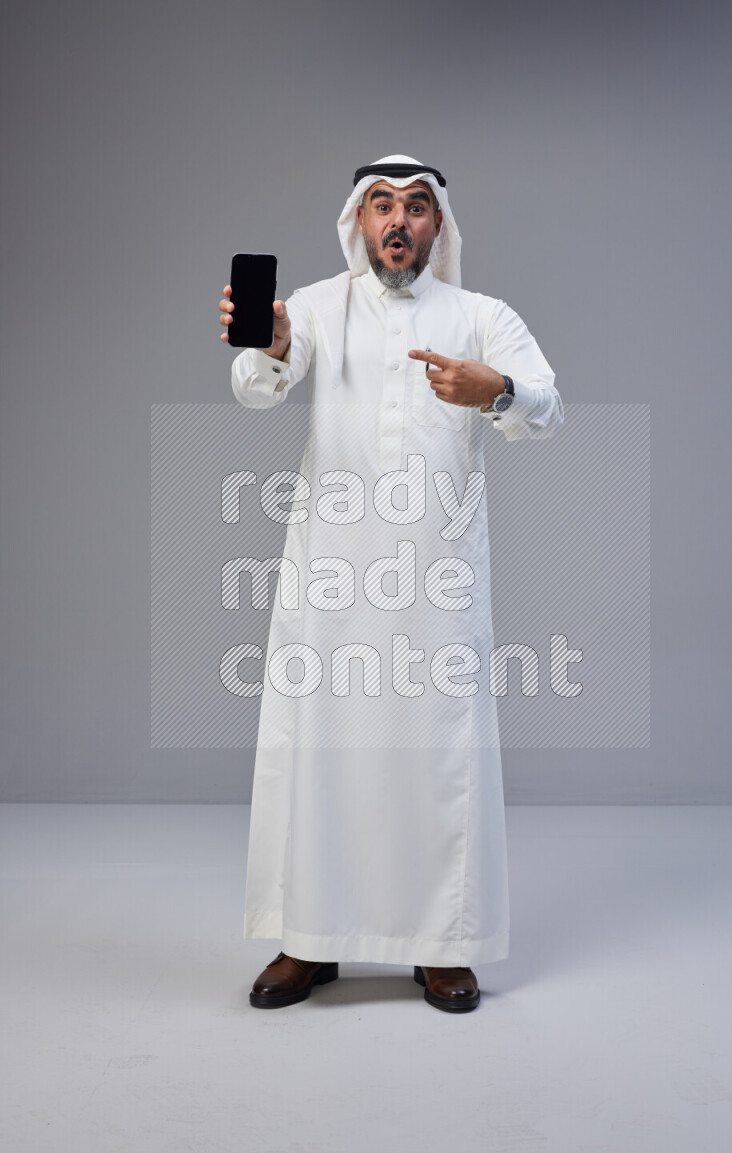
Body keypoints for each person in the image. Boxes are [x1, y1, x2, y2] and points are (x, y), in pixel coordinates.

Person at [218, 155, 563, 1013]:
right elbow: (257, 389)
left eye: (415, 206)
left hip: (435, 585)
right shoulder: (316, 305)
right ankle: (309, 940)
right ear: (358, 222)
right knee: (322, 752)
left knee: (435, 755)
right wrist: (272, 343)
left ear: (438, 226)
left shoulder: (481, 315)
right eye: (381, 206)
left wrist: (498, 390)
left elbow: (549, 404)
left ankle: (441, 946)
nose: (398, 221)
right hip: (331, 579)